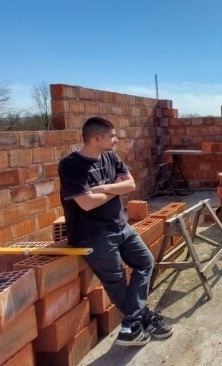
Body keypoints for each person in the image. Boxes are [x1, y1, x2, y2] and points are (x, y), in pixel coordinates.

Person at [58, 117, 172, 347]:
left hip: (121, 225)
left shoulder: (110, 156)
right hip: (93, 234)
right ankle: (141, 320)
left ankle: (133, 323)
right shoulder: (71, 165)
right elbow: (87, 204)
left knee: (145, 261)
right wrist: (114, 190)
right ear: (96, 138)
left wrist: (103, 188)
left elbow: (130, 184)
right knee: (116, 280)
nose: (116, 139)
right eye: (112, 136)